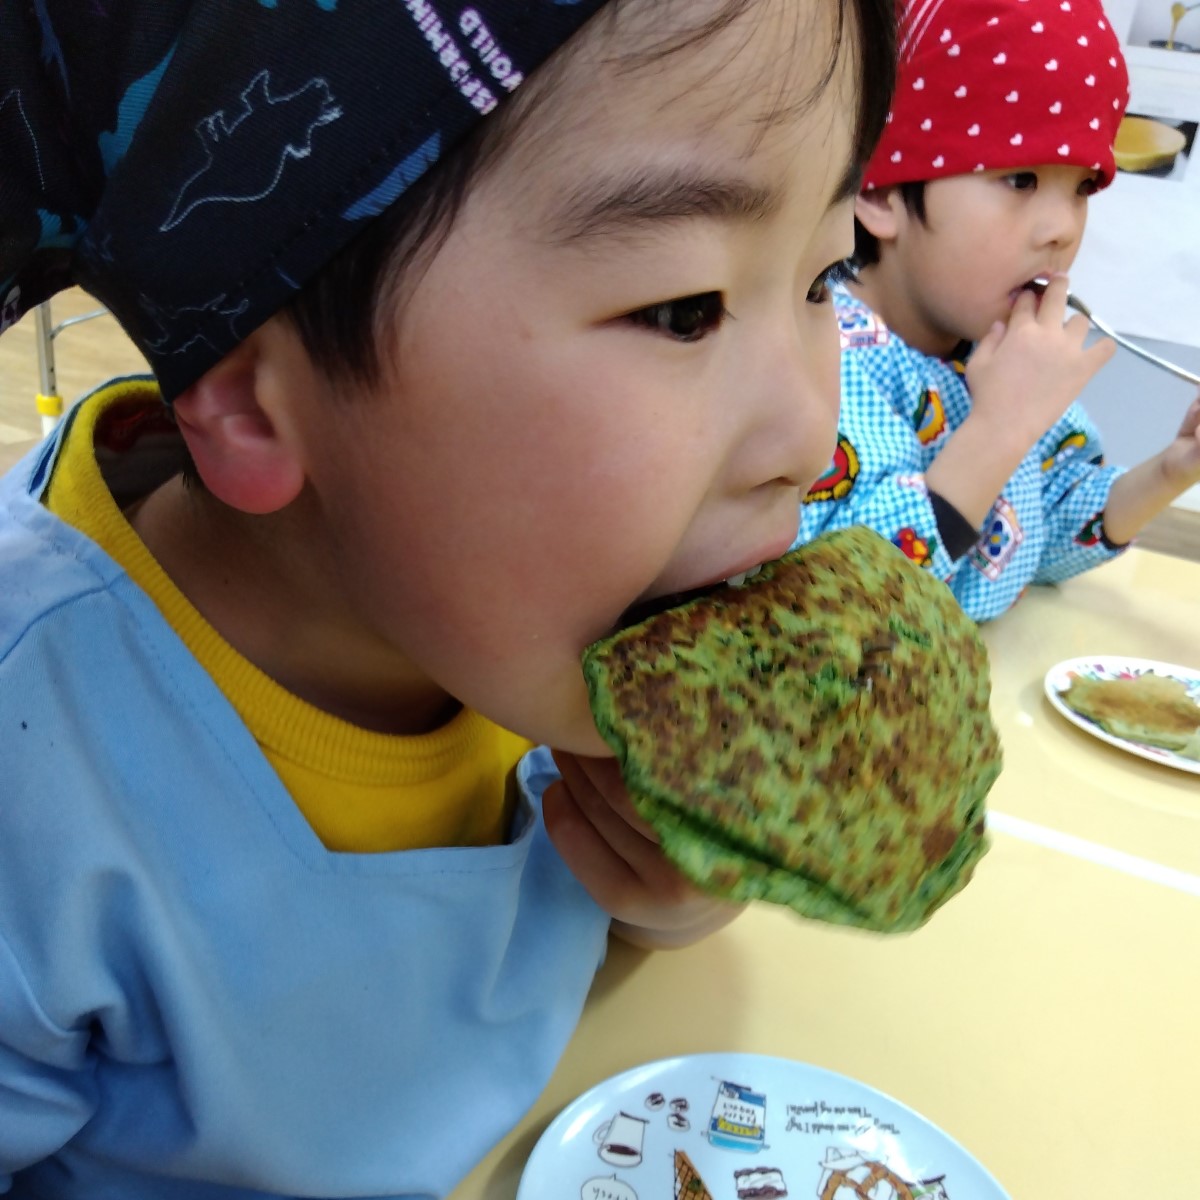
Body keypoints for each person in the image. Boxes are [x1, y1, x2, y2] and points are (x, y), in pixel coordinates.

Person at [0, 1, 896, 1196]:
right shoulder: (40, 806)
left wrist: (674, 891)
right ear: (257, 399)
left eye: (825, 272)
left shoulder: (514, 619)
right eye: (683, 309)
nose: (812, 434)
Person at [794, 0, 1200, 622]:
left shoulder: (1002, 354)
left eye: (1084, 186)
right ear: (877, 190)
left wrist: (1173, 469)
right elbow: (844, 602)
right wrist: (1002, 428)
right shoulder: (821, 369)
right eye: (1021, 181)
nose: (1063, 228)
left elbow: (1043, 539)